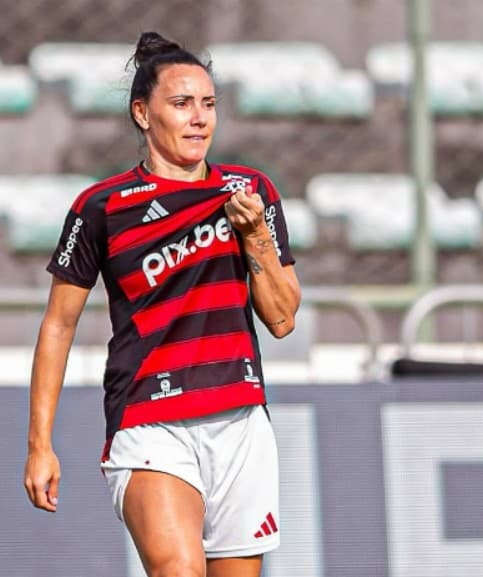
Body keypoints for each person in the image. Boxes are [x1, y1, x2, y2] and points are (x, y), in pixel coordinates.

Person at [23, 31, 301, 577]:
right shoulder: (101, 207)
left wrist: (257, 241)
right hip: (150, 420)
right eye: (181, 104)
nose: (199, 118)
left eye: (208, 104)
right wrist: (40, 444)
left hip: (240, 420)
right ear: (143, 114)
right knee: (177, 569)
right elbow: (58, 326)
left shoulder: (251, 192)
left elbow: (283, 318)